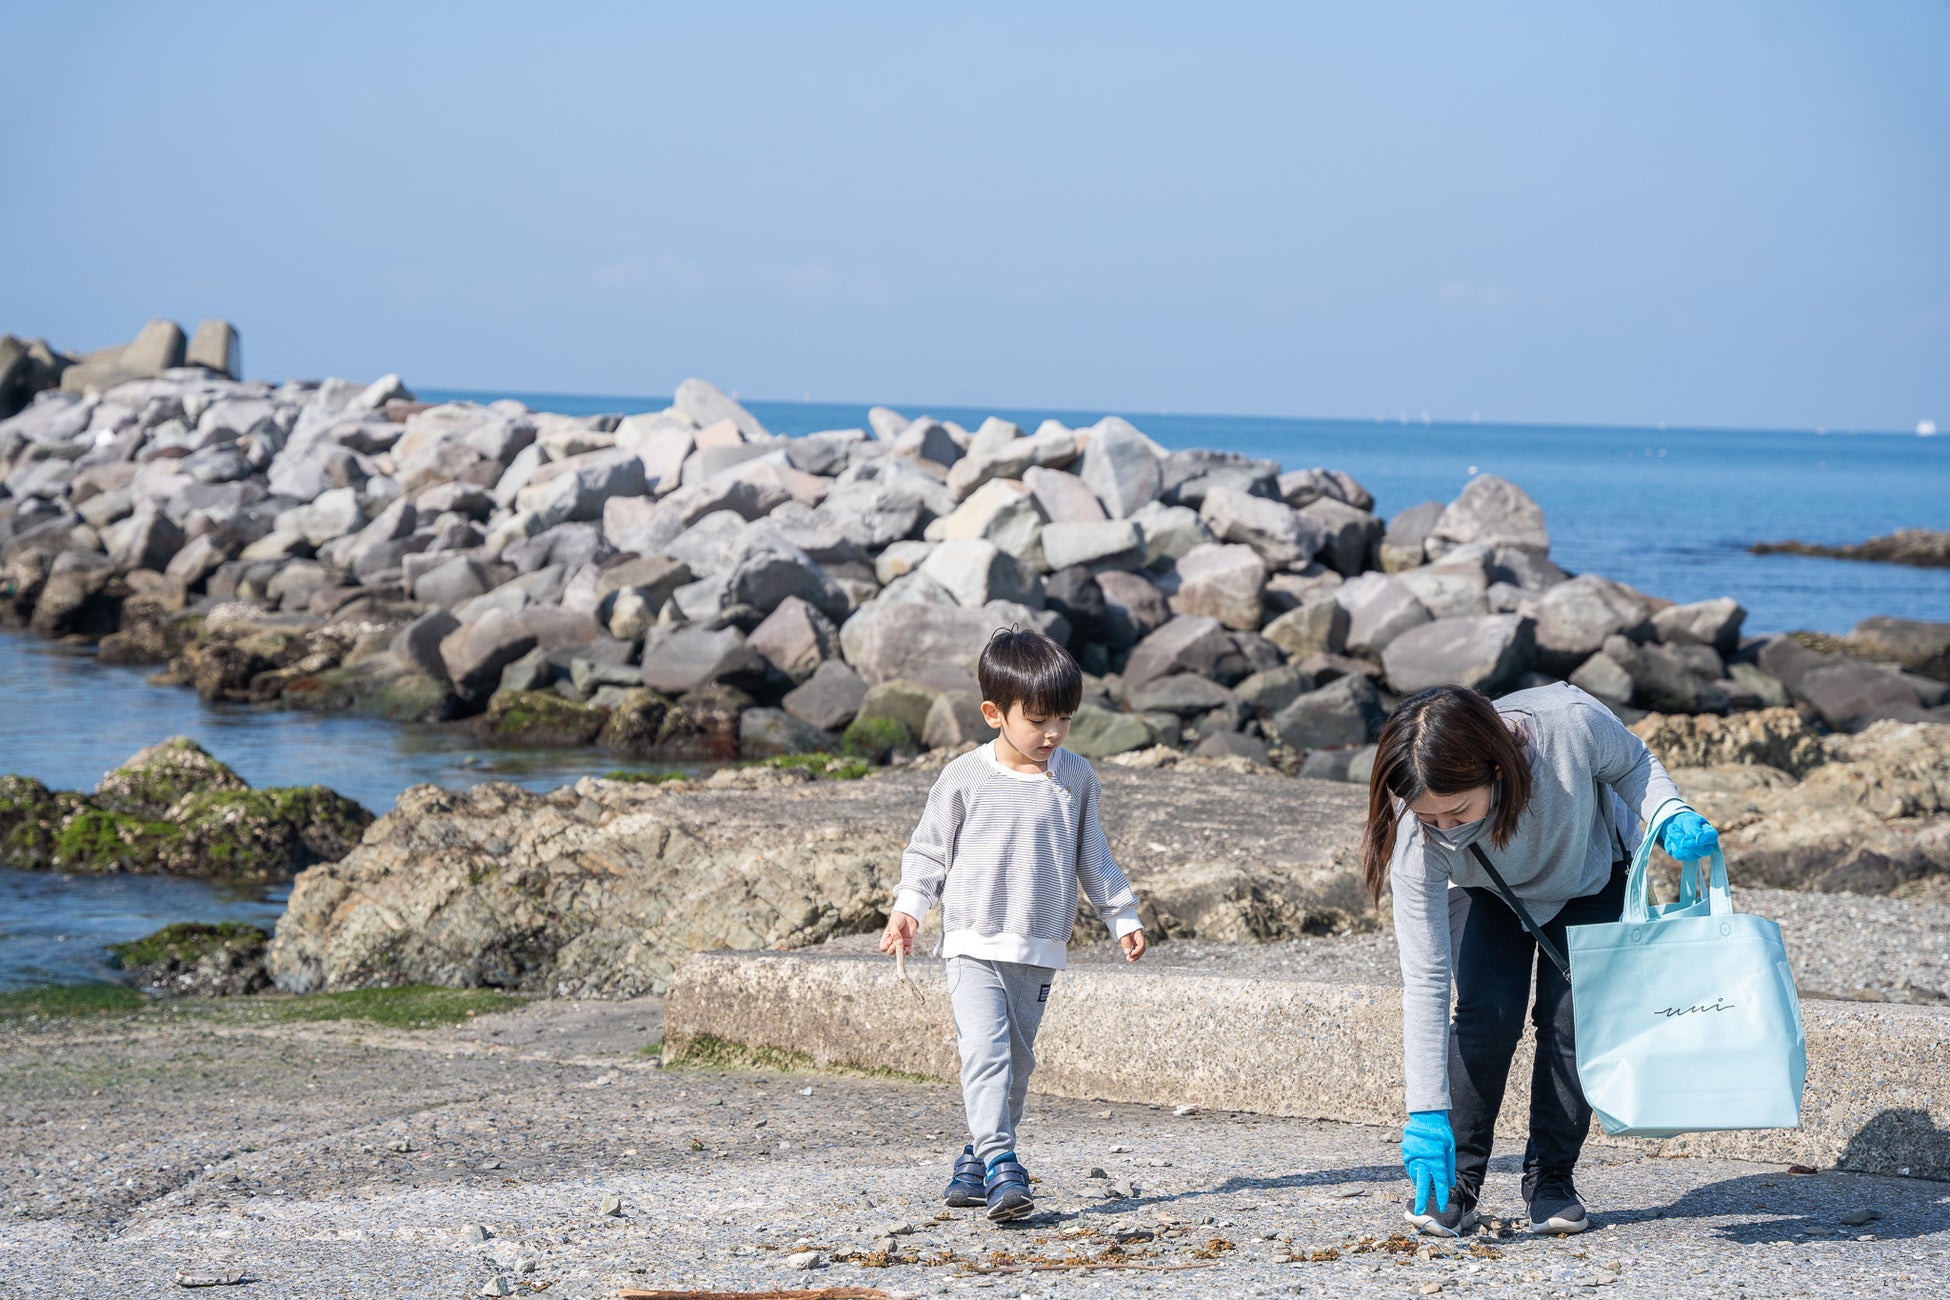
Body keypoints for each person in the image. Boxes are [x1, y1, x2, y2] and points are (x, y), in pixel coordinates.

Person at [1367, 682, 1720, 1238]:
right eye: (1429, 816)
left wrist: (1669, 812)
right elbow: (1426, 980)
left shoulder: (1571, 725)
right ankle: (1456, 1183)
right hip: (1492, 891)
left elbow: (1632, 763)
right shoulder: (1422, 838)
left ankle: (1551, 1180)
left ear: (1497, 767)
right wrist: (1424, 1110)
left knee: (1570, 1024)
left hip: (1592, 875)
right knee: (1485, 1016)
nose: (1446, 830)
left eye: (1458, 811)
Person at [880, 627, 1147, 1222]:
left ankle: (975, 1157)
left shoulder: (1074, 777)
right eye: (1039, 720)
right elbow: (929, 851)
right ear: (993, 714)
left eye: (1064, 720)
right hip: (972, 941)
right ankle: (1004, 1164)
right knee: (985, 1053)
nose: (1053, 733)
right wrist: (908, 908)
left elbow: (1093, 854)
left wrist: (1120, 913)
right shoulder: (964, 776)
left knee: (1018, 1066)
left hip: (1040, 944)